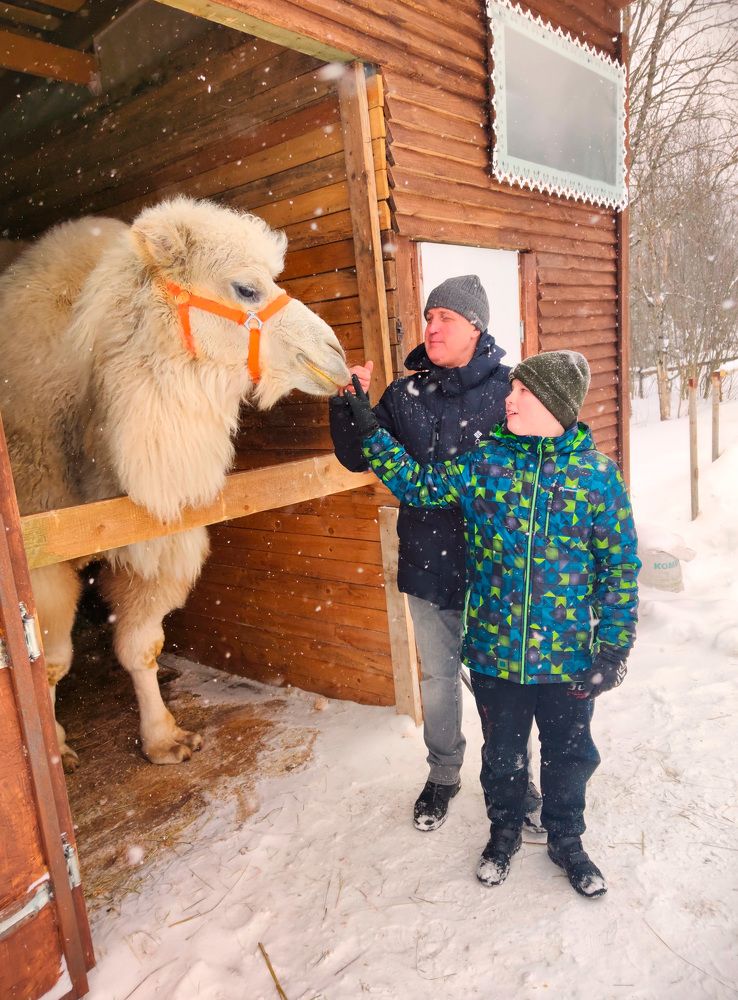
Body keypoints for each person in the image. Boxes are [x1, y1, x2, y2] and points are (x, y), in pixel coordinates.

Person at [343, 350, 640, 898]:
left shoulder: (597, 478)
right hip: (495, 652)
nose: (509, 398)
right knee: (502, 756)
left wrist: (613, 650)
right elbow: (418, 485)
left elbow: (619, 567)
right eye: (513, 389)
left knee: (570, 756)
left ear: (553, 403)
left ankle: (566, 840)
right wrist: (367, 427)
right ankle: (502, 833)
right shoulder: (486, 463)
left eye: (522, 392)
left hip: (567, 657)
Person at [330, 275, 542, 833]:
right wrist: (346, 402)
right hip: (428, 565)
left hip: (497, 571)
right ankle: (443, 775)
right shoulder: (405, 395)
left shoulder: (510, 392)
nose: (433, 326)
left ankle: (514, 778)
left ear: (477, 326)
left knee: (503, 682)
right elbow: (358, 456)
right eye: (429, 316)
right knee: (439, 682)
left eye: (447, 316)